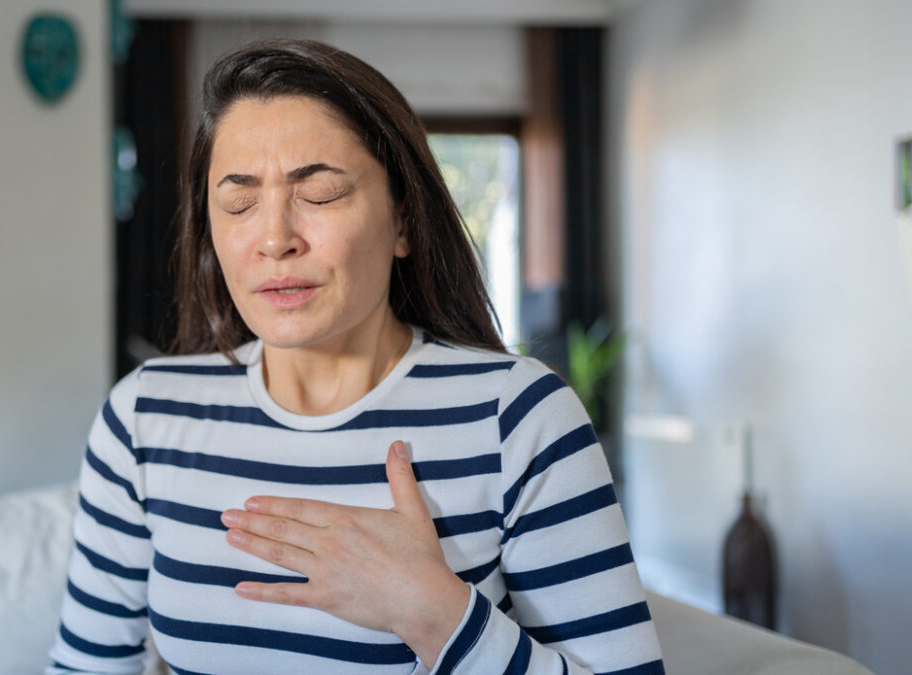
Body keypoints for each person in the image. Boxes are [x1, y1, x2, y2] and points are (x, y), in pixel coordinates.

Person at [47, 39, 664, 675]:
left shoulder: (518, 417)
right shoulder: (144, 417)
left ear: (402, 221)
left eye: (319, 194)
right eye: (239, 202)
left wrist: (436, 613)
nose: (275, 238)